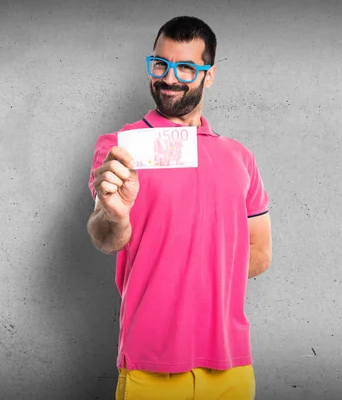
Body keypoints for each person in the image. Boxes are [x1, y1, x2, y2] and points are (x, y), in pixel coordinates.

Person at [87, 15, 272, 400]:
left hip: (231, 365)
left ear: (209, 74)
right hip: (150, 364)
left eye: (186, 67)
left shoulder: (238, 156)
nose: (169, 78)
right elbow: (106, 238)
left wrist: (197, 277)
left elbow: (259, 251)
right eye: (161, 64)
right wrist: (115, 215)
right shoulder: (122, 147)